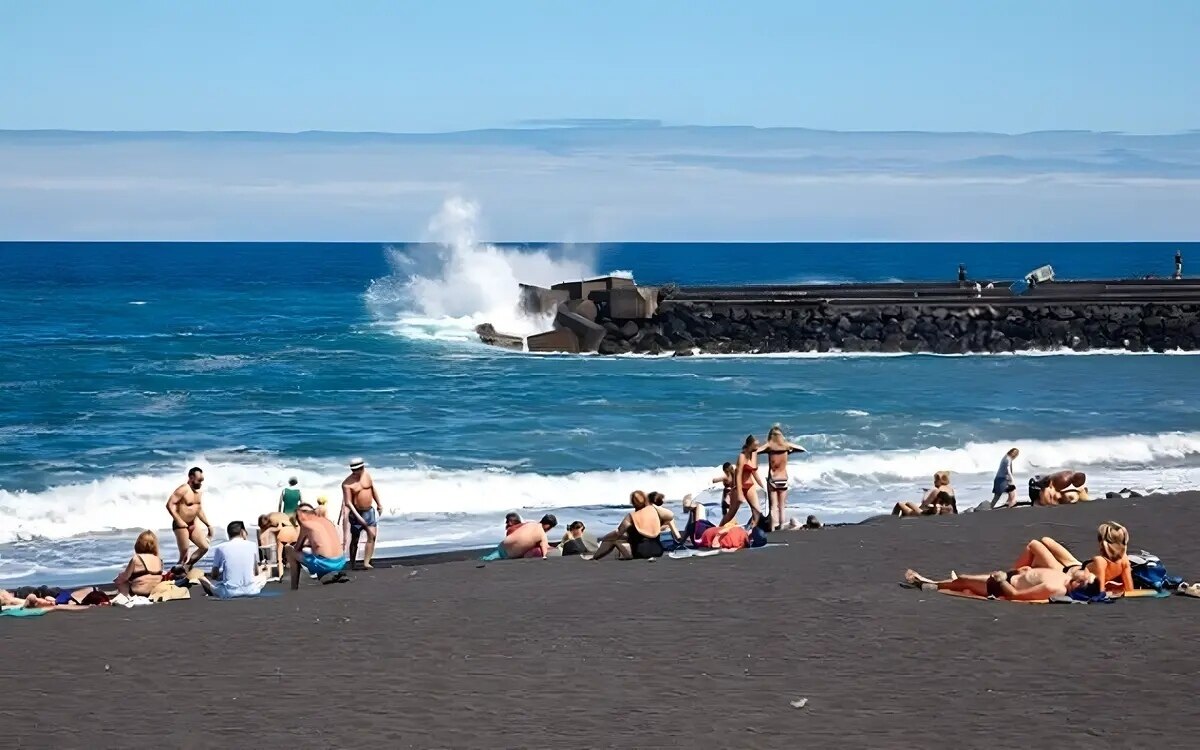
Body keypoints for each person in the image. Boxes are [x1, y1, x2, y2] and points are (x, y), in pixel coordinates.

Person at [1010, 522, 1134, 596]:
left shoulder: (1100, 561)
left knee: (1034, 545)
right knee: (1046, 540)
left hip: (1066, 573)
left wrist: (1108, 589)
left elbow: (1099, 591)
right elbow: (1130, 589)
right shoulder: (1124, 560)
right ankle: (1027, 572)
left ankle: (1012, 574)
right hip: (1077, 566)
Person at [905, 567, 1095, 601]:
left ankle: (931, 585)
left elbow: (1015, 596)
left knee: (963, 579)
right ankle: (936, 584)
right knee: (964, 581)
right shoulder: (1065, 577)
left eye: (1085, 576)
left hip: (1001, 584)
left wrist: (1003, 580)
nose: (1084, 573)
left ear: (1079, 584)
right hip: (1011, 576)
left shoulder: (1057, 588)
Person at [591, 491, 683, 561]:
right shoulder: (654, 510)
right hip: (658, 550)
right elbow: (670, 515)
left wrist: (604, 538)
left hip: (640, 552)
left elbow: (618, 532)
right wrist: (654, 506)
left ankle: (594, 557)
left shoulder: (631, 516)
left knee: (614, 540)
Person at [287, 503, 349, 588]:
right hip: (340, 561)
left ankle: (294, 587)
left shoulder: (306, 525)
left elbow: (297, 547)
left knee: (289, 550)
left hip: (325, 563)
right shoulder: (327, 521)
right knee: (316, 552)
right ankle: (330, 575)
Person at [203, 521, 267, 599]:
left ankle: (211, 590)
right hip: (251, 590)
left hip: (229, 592)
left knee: (204, 578)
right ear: (242, 532)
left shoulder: (220, 548)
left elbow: (214, 575)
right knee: (263, 576)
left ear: (228, 534)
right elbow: (256, 573)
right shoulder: (252, 545)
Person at [166, 466, 214, 568]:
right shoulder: (183, 489)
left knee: (204, 547)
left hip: (193, 524)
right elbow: (169, 504)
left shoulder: (198, 492)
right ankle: (177, 573)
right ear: (191, 478)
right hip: (181, 526)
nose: (201, 483)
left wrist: (208, 524)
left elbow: (199, 510)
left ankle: (187, 567)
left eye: (202, 480)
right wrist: (178, 520)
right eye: (199, 480)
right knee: (184, 554)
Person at [760, 424, 805, 531]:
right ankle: (781, 526)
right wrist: (790, 447)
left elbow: (756, 451)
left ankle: (772, 527)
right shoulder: (786, 447)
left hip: (773, 478)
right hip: (783, 479)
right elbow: (802, 449)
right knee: (782, 507)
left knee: (773, 506)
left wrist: (766, 446)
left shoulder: (769, 447)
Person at [342, 457, 383, 570]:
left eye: (357, 470)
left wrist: (379, 504)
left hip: (369, 511)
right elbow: (348, 502)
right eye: (353, 470)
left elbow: (372, 488)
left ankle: (366, 562)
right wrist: (358, 517)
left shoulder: (367, 475)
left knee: (372, 536)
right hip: (356, 512)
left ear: (362, 468)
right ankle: (352, 563)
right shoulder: (347, 483)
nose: (355, 473)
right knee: (355, 538)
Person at [719, 436, 765, 529]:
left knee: (756, 511)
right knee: (731, 513)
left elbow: (754, 472)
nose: (757, 447)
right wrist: (740, 493)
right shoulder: (742, 456)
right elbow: (738, 475)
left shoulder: (754, 454)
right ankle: (718, 530)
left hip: (750, 485)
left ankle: (751, 532)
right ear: (749, 445)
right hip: (740, 486)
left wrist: (762, 485)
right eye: (755, 445)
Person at [480, 514, 557, 560]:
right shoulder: (542, 535)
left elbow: (513, 528)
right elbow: (545, 550)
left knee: (496, 555)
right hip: (509, 554)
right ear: (548, 526)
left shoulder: (529, 523)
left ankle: (487, 558)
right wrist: (545, 555)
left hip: (502, 545)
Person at [113, 530, 164, 598]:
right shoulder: (159, 560)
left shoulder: (136, 558)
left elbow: (125, 577)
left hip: (138, 592)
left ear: (138, 544)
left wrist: (118, 577)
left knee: (121, 582)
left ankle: (126, 598)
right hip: (154, 592)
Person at [257, 512, 299, 579]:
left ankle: (280, 575)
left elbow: (279, 528)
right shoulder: (272, 516)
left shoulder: (272, 520)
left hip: (286, 532)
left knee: (279, 557)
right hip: (293, 532)